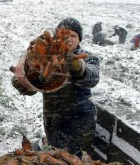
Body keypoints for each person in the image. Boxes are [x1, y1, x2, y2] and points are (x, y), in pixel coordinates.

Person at [11, 18, 100, 157]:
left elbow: (93, 78)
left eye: (73, 35)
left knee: (74, 159)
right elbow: (34, 84)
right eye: (65, 35)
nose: (69, 39)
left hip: (80, 120)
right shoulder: (45, 57)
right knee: (55, 155)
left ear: (79, 39)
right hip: (53, 117)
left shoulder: (88, 58)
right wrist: (23, 84)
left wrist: (79, 67)